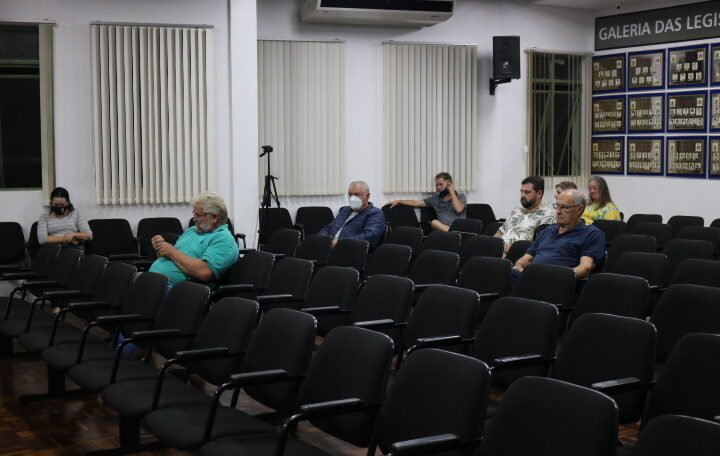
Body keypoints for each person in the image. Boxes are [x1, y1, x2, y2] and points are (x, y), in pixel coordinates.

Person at [149, 192, 238, 287]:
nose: (194, 219)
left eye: (197, 215)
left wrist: (171, 251)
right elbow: (175, 258)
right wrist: (161, 249)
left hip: (179, 290)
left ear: (214, 217)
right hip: (156, 282)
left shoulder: (223, 239)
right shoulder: (192, 230)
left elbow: (204, 272)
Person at [513, 189, 605, 280]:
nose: (558, 211)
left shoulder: (591, 233)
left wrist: (559, 277)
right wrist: (519, 268)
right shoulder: (546, 231)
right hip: (531, 278)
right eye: (557, 206)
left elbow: (585, 268)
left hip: (559, 282)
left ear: (579, 209)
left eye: (564, 207)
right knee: (507, 271)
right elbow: (525, 259)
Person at [494, 176, 555, 253]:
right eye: (521, 192)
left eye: (527, 192)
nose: (522, 195)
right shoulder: (515, 211)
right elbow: (500, 233)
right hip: (498, 253)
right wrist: (493, 246)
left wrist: (514, 249)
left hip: (518, 256)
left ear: (539, 193)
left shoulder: (547, 216)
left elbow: (540, 246)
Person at [388, 172, 466, 232]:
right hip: (443, 230)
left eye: (440, 184)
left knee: (436, 224)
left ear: (449, 185)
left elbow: (459, 209)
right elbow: (416, 203)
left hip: (459, 229)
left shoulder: (461, 197)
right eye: (436, 185)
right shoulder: (435, 199)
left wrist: (452, 192)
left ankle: (455, 234)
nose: (438, 187)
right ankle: (453, 234)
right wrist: (399, 201)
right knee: (434, 223)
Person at [319, 180, 385, 248]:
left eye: (357, 194)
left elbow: (370, 236)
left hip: (351, 250)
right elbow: (328, 228)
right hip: (329, 247)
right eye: (350, 194)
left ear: (367, 196)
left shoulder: (375, 213)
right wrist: (324, 240)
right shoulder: (345, 210)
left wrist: (340, 243)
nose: (352, 198)